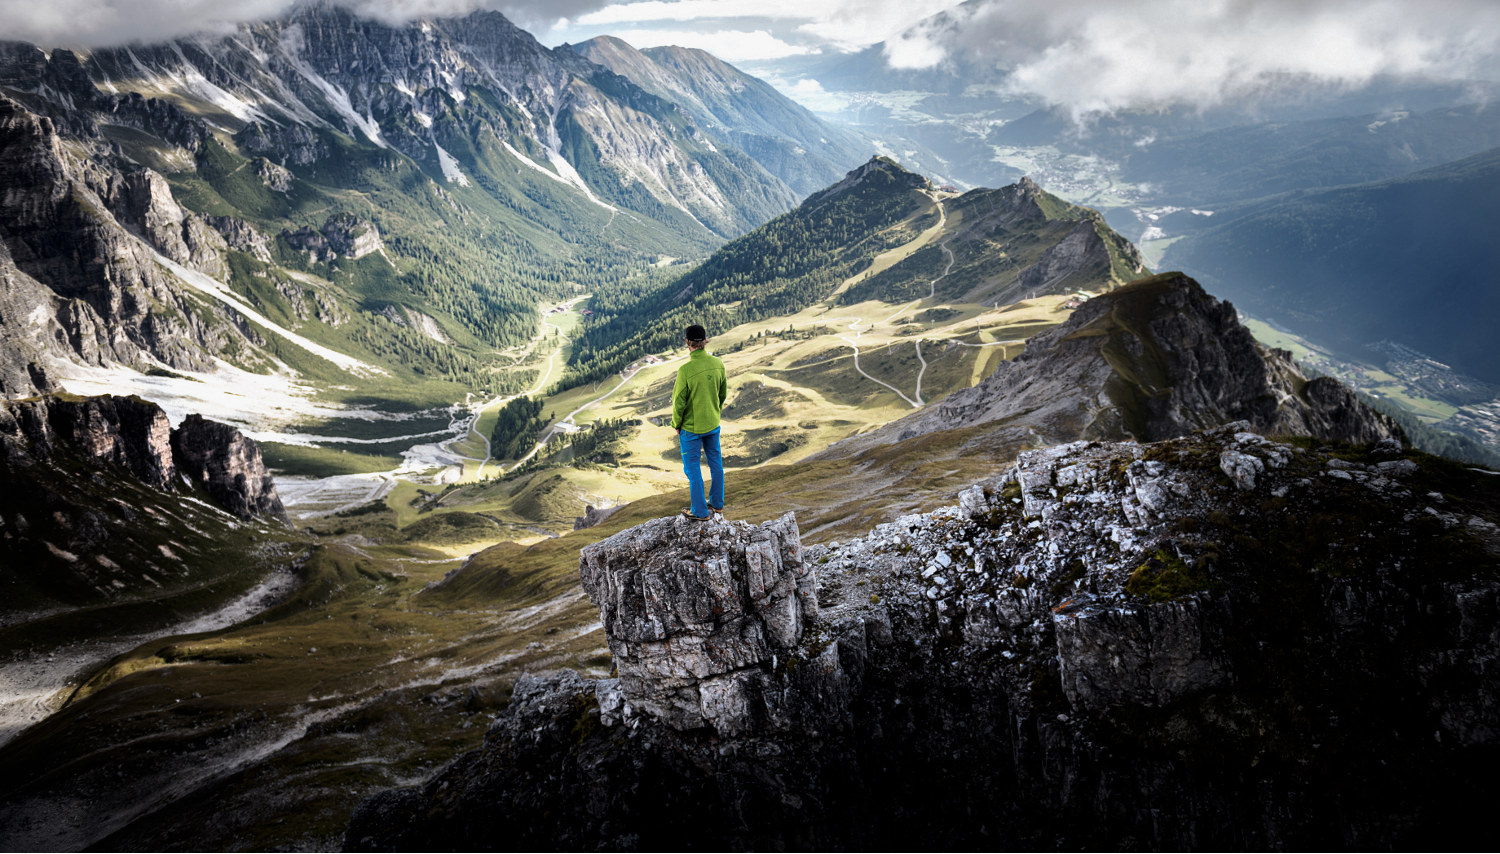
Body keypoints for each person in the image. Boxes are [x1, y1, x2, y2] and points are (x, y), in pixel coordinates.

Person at [671, 324, 727, 520]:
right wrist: (714, 412)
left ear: (687, 342)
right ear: (705, 341)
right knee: (715, 462)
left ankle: (700, 512)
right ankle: (717, 504)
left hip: (691, 428)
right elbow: (722, 394)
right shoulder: (718, 363)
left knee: (692, 468)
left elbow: (679, 402)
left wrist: (676, 424)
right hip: (713, 424)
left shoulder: (685, 370)